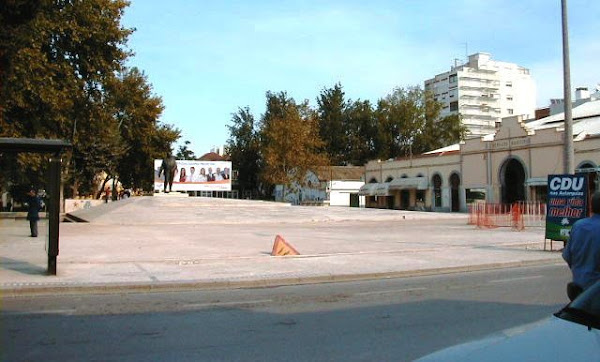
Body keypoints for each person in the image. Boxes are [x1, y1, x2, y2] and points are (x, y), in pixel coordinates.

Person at [563, 191, 600, 300]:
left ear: (591, 207)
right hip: (595, 292)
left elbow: (567, 256)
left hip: (578, 290)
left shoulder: (578, 226)